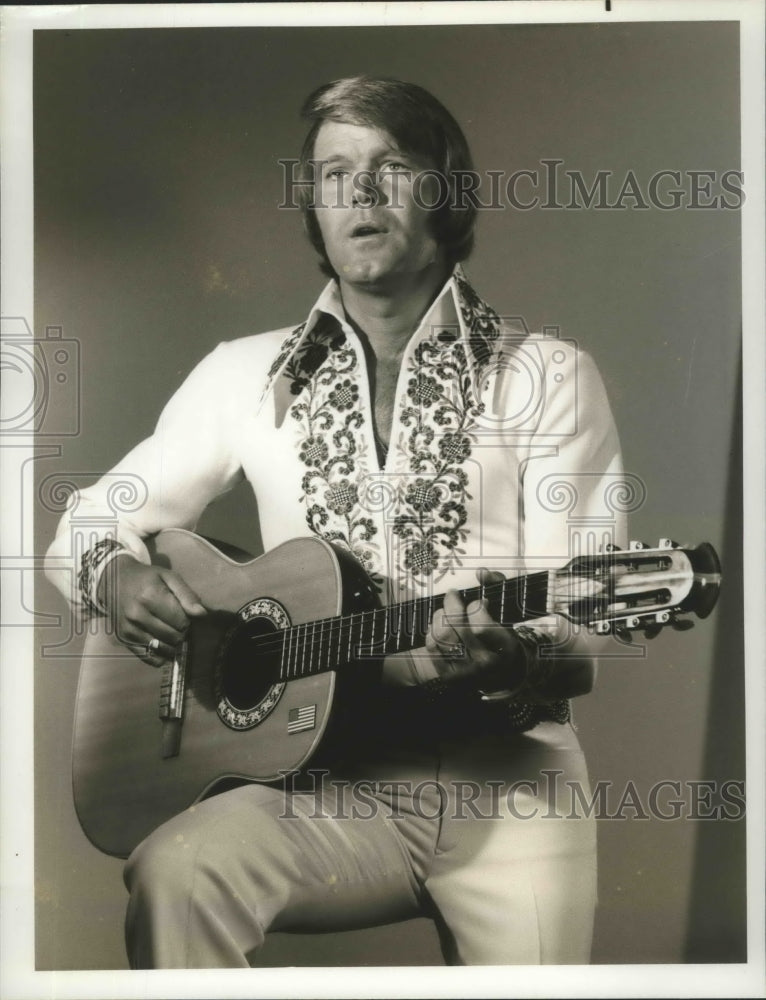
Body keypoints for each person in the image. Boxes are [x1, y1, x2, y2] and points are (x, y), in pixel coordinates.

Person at [46, 76, 625, 968]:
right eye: (332, 174)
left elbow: (585, 625)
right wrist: (116, 575)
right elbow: (87, 522)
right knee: (179, 873)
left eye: (390, 166)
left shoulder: (546, 375)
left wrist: (514, 657)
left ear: (446, 191)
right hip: (325, 786)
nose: (359, 194)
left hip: (511, 792)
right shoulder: (240, 374)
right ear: (312, 208)